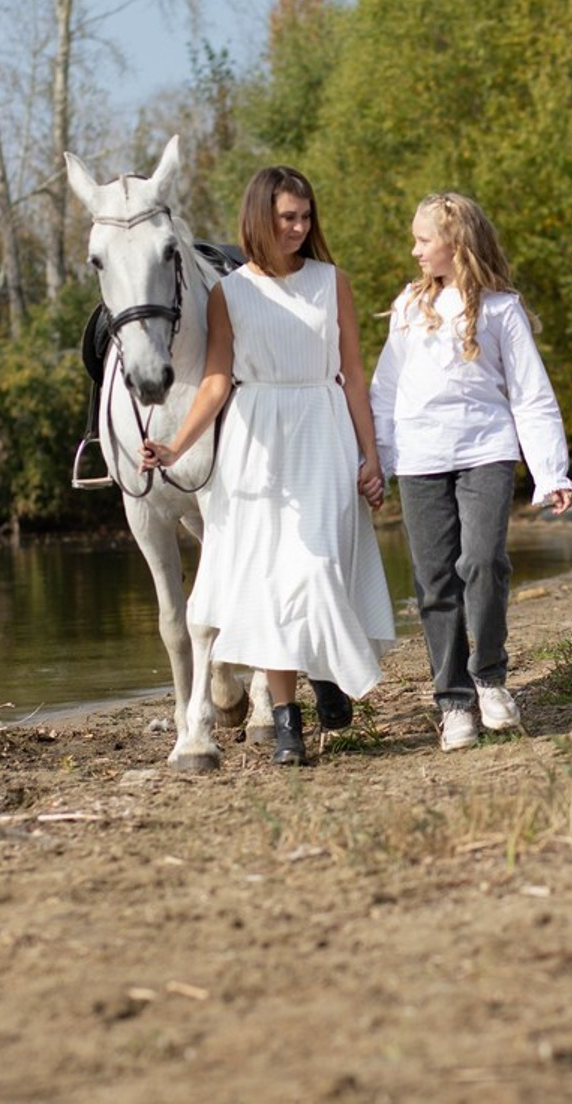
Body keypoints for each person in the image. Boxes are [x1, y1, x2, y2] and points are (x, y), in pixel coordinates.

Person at [141, 166, 395, 766]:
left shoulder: (332, 283)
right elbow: (215, 381)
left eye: (306, 218)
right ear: (261, 217)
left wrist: (371, 455)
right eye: (288, 217)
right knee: (271, 588)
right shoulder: (232, 294)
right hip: (255, 445)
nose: (300, 228)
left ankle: (326, 671)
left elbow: (354, 372)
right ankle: (287, 722)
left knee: (316, 570)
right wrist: (176, 447)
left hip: (320, 428)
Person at [370, 192, 572, 752]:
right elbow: (385, 392)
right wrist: (379, 461)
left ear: (455, 243)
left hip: (486, 451)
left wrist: (550, 471)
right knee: (435, 580)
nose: (414, 250)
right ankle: (454, 702)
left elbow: (532, 396)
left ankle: (489, 677)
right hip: (419, 460)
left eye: (423, 240)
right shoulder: (409, 308)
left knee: (483, 561)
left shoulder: (501, 310)